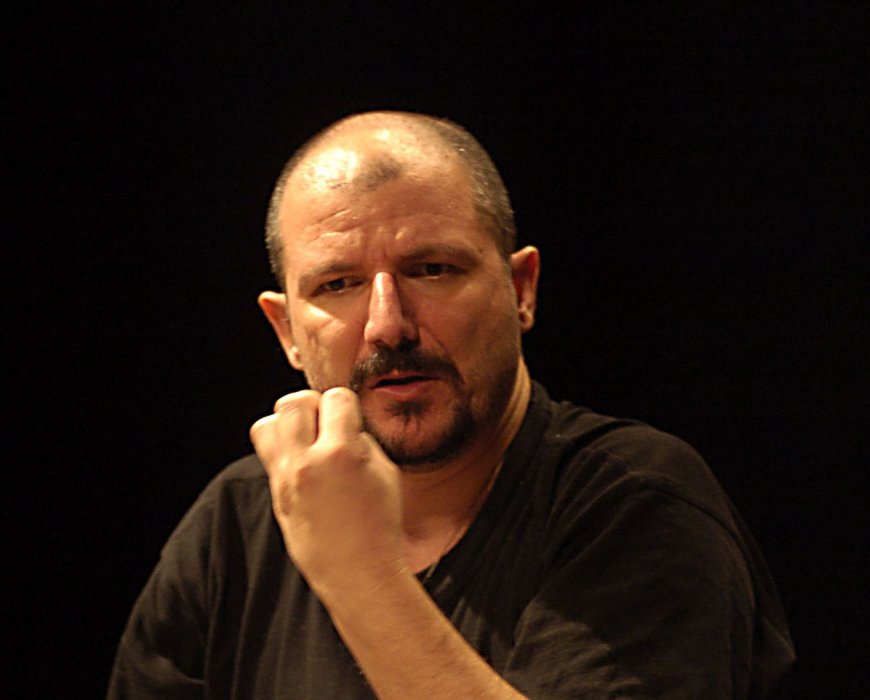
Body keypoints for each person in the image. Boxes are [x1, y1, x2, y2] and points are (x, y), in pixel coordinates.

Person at [108, 111, 795, 699]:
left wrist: (355, 572)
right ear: (286, 329)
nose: (387, 325)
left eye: (432, 270)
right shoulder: (234, 524)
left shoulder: (637, 499)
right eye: (338, 284)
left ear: (520, 289)